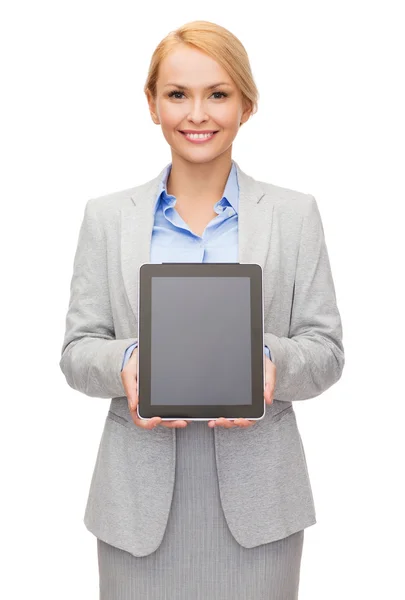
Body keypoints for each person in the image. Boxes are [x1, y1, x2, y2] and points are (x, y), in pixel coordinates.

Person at [59, 19, 345, 600]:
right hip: (137, 509)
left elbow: (326, 350)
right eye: (177, 94)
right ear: (152, 103)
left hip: (260, 507)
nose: (197, 114)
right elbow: (76, 351)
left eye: (218, 94)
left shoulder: (293, 216)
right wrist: (130, 362)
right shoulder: (108, 218)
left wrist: (266, 363)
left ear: (247, 105)